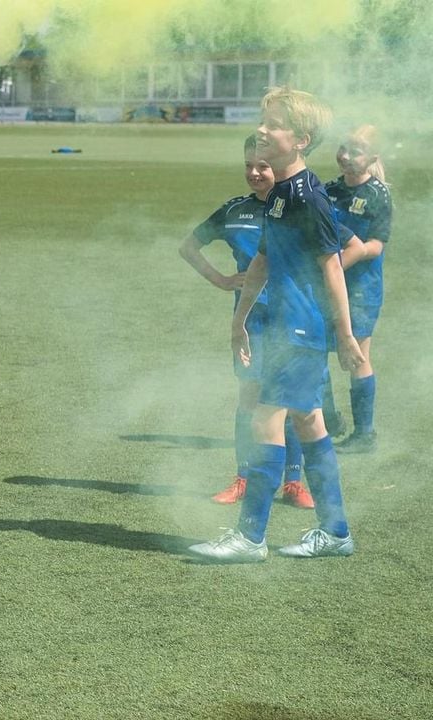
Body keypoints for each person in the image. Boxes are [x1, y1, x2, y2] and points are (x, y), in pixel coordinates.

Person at [189, 87, 363, 563]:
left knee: (266, 417)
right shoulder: (280, 193)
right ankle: (335, 532)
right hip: (283, 327)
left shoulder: (309, 196)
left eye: (275, 123)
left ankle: (250, 537)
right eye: (263, 121)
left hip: (300, 330)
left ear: (301, 139)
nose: (263, 130)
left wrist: (345, 336)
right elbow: (263, 260)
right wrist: (239, 321)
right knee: (308, 421)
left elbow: (331, 267)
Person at [178, 135, 313, 509]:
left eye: (263, 166)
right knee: (250, 398)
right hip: (250, 323)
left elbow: (341, 251)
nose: (254, 173)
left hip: (294, 320)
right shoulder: (234, 211)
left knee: (291, 401)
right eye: (248, 166)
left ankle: (294, 482)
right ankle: (243, 477)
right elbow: (188, 246)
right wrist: (220, 279)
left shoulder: (302, 207)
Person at [323, 125, 392, 454]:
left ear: (373, 159)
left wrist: (341, 261)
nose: (346, 157)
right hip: (324, 284)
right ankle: (327, 418)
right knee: (313, 350)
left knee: (357, 356)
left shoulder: (377, 195)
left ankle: (364, 434)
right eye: (343, 148)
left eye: (356, 152)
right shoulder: (328, 190)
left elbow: (377, 246)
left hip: (361, 288)